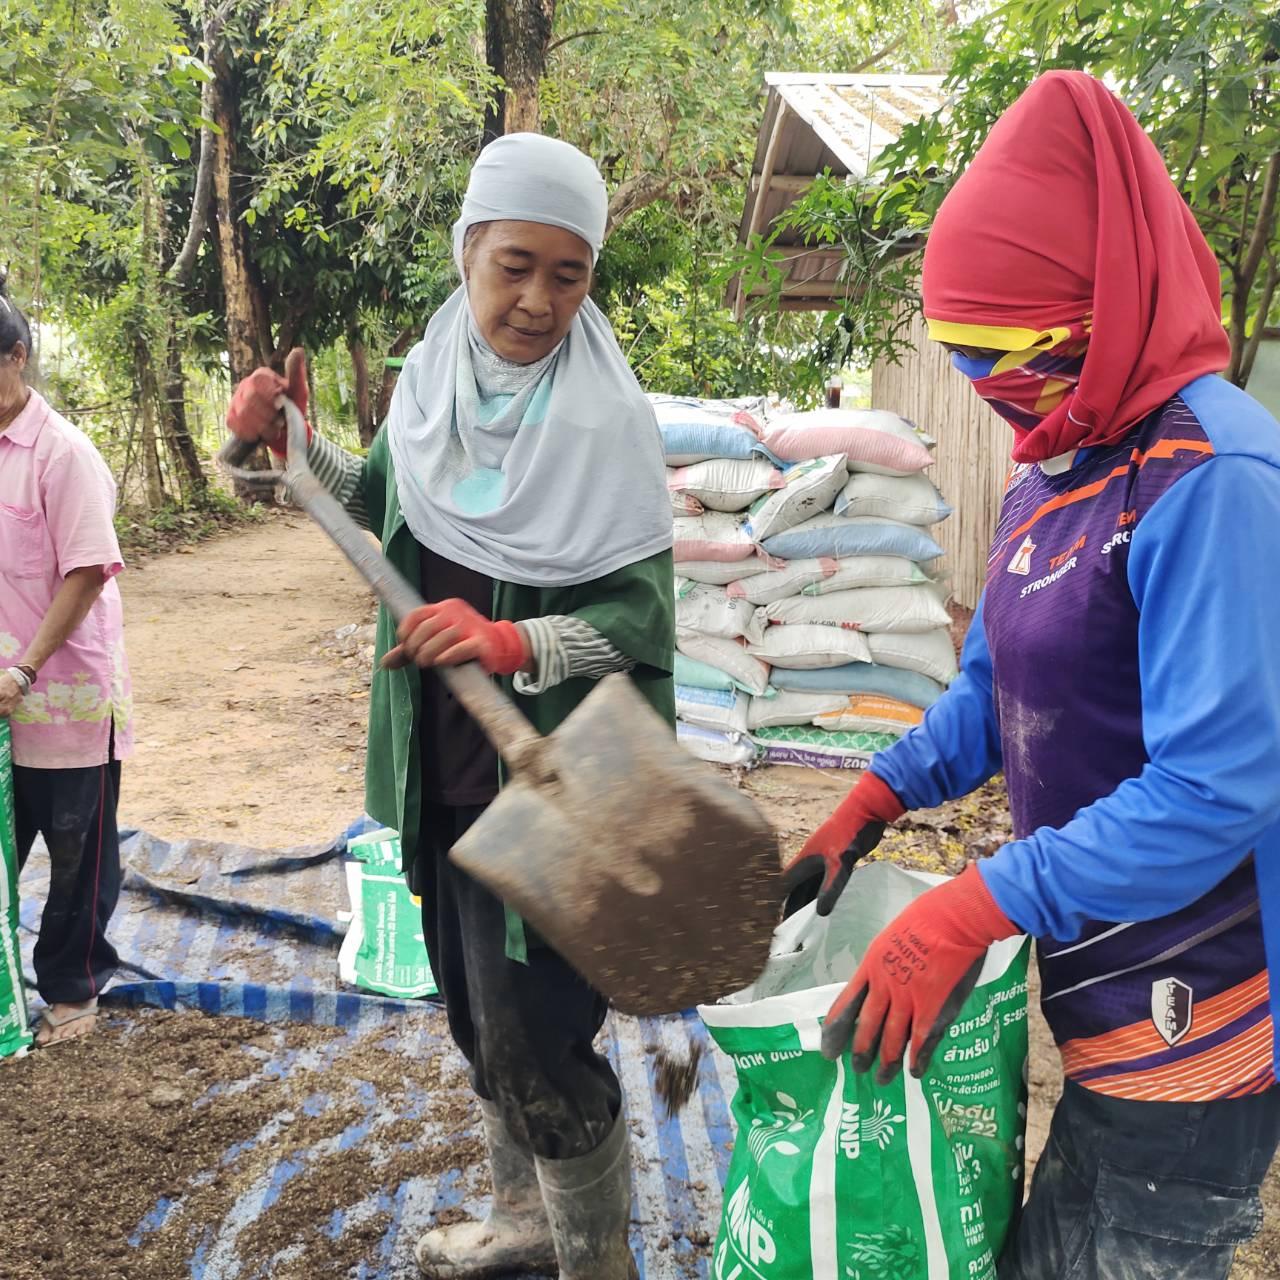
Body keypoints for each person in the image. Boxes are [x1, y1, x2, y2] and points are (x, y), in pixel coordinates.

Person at [785, 70, 1280, 1280]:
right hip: (1096, 976)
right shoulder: (1055, 465)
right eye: (968, 363)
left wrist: (977, 900)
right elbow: (994, 689)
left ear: (1100, 308)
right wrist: (875, 797)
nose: (1001, 400)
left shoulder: (1212, 482)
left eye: (1015, 359)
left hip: (1201, 1004)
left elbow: (1217, 788)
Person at [225, 134, 674, 1280]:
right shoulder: (434, 383)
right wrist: (287, 444)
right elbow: (380, 499)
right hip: (440, 766)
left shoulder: (600, 421)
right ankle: (523, 1223)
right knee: (481, 1021)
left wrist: (508, 637)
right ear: (468, 249)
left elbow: (639, 618)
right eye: (513, 264)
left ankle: (593, 1260)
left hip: (556, 779)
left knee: (543, 1034)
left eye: (566, 274)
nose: (535, 299)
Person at [0, 287, 132, 1046]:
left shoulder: (64, 455)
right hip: (2, 703)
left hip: (67, 699)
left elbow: (85, 573)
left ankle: (73, 988)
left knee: (78, 855)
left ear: (16, 359)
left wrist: (23, 671)